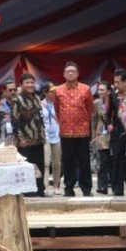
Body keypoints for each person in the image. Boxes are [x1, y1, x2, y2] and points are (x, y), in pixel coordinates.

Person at [54, 62, 94, 197]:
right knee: (68, 162)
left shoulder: (86, 89)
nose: (70, 73)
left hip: (82, 130)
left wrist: (82, 121)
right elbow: (57, 110)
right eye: (68, 71)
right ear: (64, 74)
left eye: (73, 71)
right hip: (66, 131)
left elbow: (90, 109)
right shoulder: (58, 90)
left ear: (77, 73)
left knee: (84, 161)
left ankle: (86, 188)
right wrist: (65, 122)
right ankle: (69, 188)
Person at [11, 73, 46, 196]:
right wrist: (21, 139)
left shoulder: (37, 98)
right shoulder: (17, 100)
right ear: (21, 84)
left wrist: (42, 135)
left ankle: (40, 190)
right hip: (25, 140)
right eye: (27, 82)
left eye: (32, 82)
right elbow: (15, 122)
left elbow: (39, 118)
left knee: (40, 164)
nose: (30, 85)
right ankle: (28, 192)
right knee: (28, 167)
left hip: (38, 138)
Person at [91, 81, 115, 195]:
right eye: (99, 90)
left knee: (114, 160)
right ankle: (102, 186)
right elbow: (94, 120)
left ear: (109, 91)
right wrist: (93, 135)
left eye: (102, 90)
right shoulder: (96, 103)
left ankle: (115, 184)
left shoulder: (114, 101)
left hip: (114, 133)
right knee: (103, 160)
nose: (100, 92)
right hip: (101, 134)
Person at [41, 85, 62, 194]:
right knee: (45, 162)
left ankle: (56, 186)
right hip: (45, 136)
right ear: (45, 93)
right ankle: (45, 186)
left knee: (57, 162)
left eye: (55, 92)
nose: (54, 94)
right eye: (51, 92)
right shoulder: (40, 105)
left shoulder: (58, 104)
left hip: (57, 135)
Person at [0, 79, 17, 146]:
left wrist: (12, 118)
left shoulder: (20, 104)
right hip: (4, 139)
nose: (13, 92)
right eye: (10, 90)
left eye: (14, 90)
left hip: (18, 140)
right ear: (4, 91)